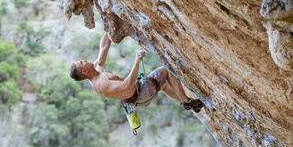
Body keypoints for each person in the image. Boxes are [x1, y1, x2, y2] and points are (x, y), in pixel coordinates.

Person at [69, 32, 204, 112]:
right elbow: (126, 86)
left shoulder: (97, 68)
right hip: (140, 94)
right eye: (82, 62)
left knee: (165, 85)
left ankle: (190, 104)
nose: (85, 59)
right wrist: (137, 61)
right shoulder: (100, 84)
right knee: (167, 70)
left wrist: (107, 24)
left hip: (139, 92)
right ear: (85, 71)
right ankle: (186, 101)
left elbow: (104, 46)